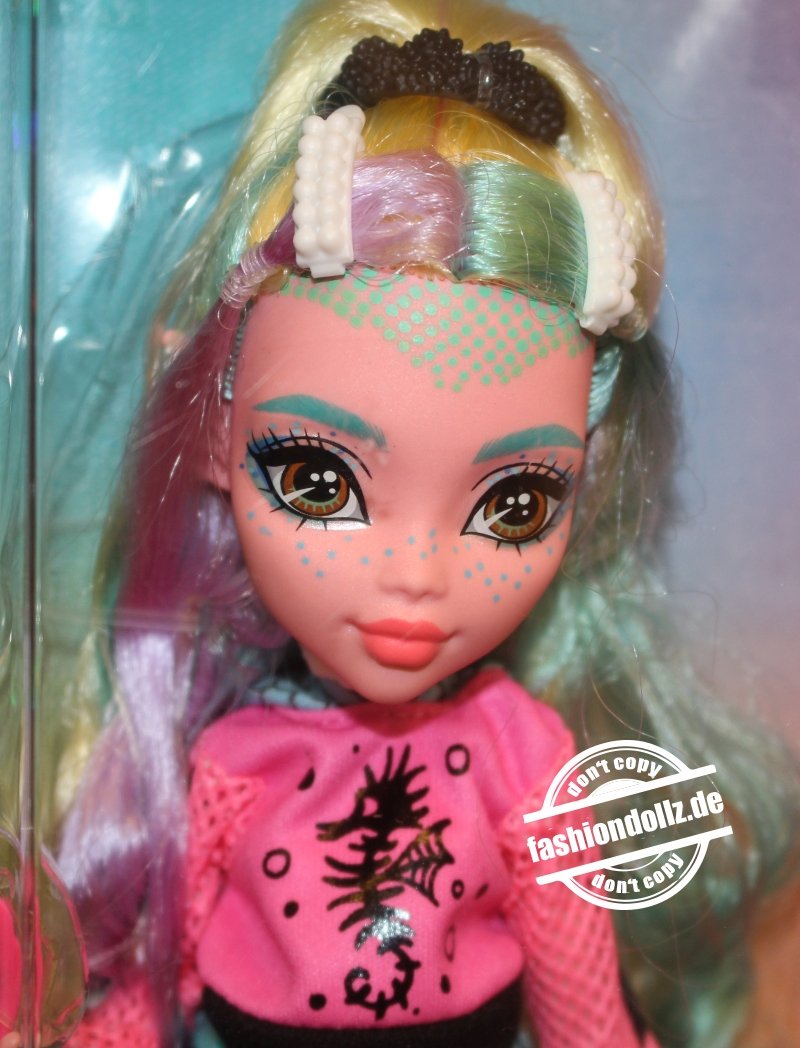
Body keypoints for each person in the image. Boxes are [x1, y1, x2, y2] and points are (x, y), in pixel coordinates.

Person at [42, 0, 798, 1045]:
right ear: (213, 427)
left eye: (514, 504)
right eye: (317, 478)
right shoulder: (229, 766)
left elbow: (580, 998)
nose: (415, 574)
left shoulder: (520, 755)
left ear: (589, 479)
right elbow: (153, 983)